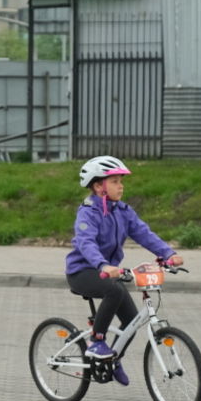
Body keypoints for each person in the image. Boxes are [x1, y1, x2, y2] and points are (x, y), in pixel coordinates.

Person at [65, 155, 182, 387]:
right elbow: (86, 243)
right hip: (83, 271)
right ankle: (97, 342)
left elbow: (143, 233)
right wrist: (103, 265)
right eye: (115, 181)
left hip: (109, 272)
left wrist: (168, 254)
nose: (121, 186)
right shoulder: (88, 212)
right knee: (115, 292)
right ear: (99, 186)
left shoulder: (123, 211)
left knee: (130, 321)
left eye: (121, 181)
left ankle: (113, 358)